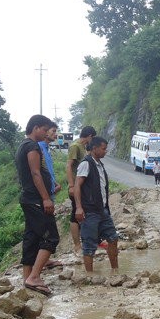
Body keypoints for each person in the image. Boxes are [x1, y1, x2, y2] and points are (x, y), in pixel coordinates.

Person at [15, 115, 59, 296]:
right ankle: (34, 277)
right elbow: (35, 173)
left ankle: (27, 279)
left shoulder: (22, 146)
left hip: (29, 198)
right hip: (36, 199)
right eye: (44, 129)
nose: (46, 133)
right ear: (35, 128)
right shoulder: (32, 147)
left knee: (32, 237)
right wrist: (46, 198)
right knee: (51, 237)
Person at [73, 137, 120, 273]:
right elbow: (77, 186)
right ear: (94, 149)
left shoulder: (99, 164)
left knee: (113, 238)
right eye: (103, 148)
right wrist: (79, 207)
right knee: (88, 245)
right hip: (89, 211)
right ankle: (89, 276)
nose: (106, 151)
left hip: (102, 210)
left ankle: (115, 271)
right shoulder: (86, 164)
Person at [66, 126, 97, 255]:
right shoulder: (75, 146)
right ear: (89, 136)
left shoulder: (83, 148)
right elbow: (69, 166)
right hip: (76, 186)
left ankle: (87, 242)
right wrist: (72, 186)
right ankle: (77, 245)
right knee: (75, 215)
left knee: (84, 213)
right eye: (93, 138)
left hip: (84, 187)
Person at [38, 122, 63, 270]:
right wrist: (47, 194)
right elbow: (38, 173)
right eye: (53, 131)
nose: (55, 134)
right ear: (45, 132)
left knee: (45, 230)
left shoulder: (46, 149)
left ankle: (46, 260)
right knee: (48, 232)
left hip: (49, 193)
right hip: (44, 197)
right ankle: (37, 269)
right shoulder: (39, 148)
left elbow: (47, 172)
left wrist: (53, 184)